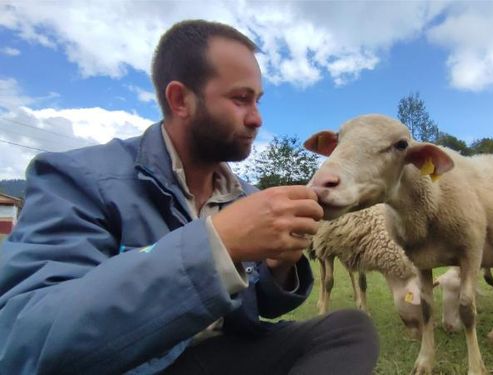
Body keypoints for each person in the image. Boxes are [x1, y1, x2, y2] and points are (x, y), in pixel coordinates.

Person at [0, 20, 379, 374]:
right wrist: (217, 243)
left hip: (216, 353)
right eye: (241, 99)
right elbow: (24, 335)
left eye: (258, 100)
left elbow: (255, 309)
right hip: (139, 364)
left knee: (349, 329)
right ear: (181, 100)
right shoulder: (78, 178)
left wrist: (279, 266)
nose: (257, 118)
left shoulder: (243, 195)